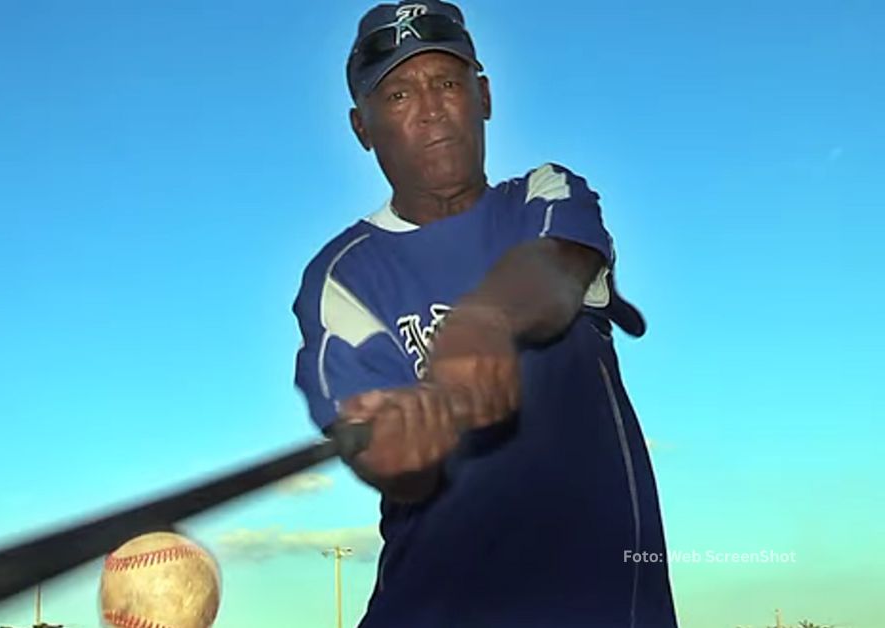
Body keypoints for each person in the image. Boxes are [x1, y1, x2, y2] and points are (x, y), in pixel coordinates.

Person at [291, 2, 679, 626]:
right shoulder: (343, 275)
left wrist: (485, 319)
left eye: (447, 81)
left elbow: (561, 263)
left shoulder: (543, 195)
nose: (430, 107)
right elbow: (383, 459)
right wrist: (401, 449)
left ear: (484, 95)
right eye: (397, 93)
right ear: (362, 127)